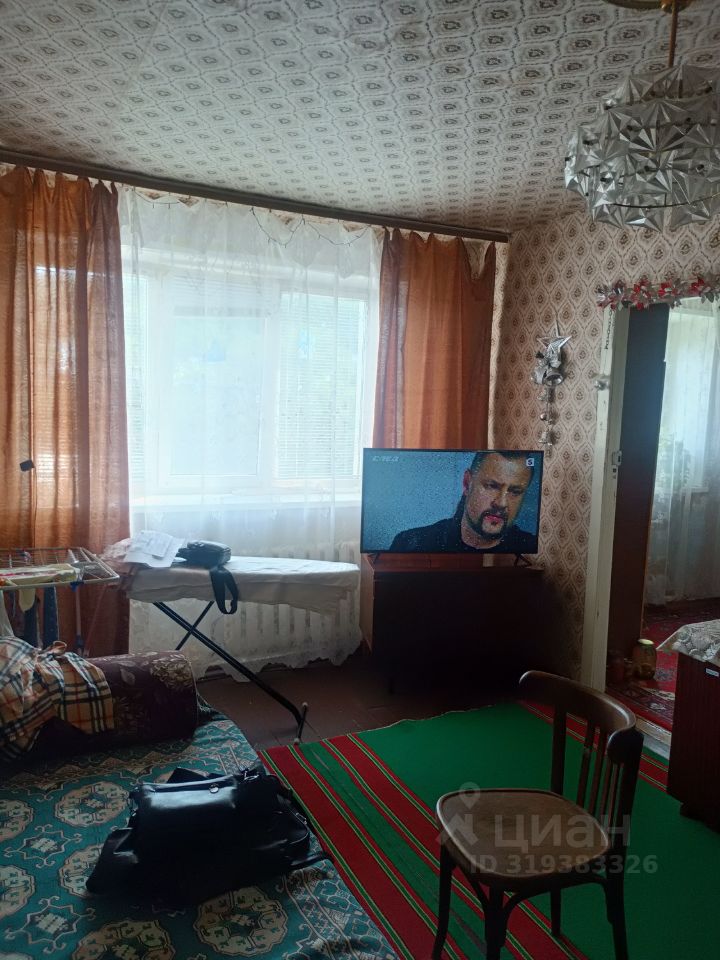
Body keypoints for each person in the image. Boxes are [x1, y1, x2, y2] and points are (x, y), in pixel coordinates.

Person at [389, 451, 536, 553]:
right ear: (467, 483)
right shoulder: (411, 543)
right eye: (491, 486)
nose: (501, 503)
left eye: (515, 492)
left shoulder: (528, 545)